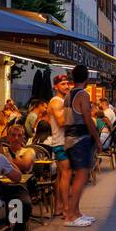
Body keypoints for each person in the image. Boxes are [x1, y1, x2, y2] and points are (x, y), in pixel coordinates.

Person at [61, 63, 103, 226]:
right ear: (86, 78)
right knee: (81, 177)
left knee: (78, 176)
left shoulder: (68, 94)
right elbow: (88, 118)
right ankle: (71, 216)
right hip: (80, 140)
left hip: (69, 139)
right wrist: (97, 139)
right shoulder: (83, 94)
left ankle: (76, 212)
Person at [46, 73, 73, 218]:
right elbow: (62, 122)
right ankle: (66, 209)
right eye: (63, 84)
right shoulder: (57, 102)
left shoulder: (61, 101)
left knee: (61, 176)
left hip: (61, 142)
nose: (66, 86)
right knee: (66, 174)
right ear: (55, 86)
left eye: (67, 83)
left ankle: (58, 208)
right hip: (61, 143)